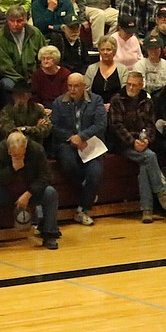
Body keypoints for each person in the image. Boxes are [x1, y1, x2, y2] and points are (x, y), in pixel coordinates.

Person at [108, 71, 166, 223]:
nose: (131, 87)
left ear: (141, 86)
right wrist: (133, 142)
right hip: (123, 144)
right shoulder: (117, 99)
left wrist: (147, 141)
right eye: (129, 84)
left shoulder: (147, 101)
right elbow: (116, 126)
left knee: (145, 164)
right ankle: (161, 193)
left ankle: (147, 210)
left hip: (143, 141)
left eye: (135, 85)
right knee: (150, 156)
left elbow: (151, 124)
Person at [0, 131, 60, 251]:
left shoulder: (37, 150)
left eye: (21, 154)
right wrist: (12, 169)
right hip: (6, 191)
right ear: (8, 150)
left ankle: (49, 234)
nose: (18, 158)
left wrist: (29, 193)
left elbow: (45, 176)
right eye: (15, 155)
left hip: (29, 191)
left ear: (26, 147)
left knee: (50, 193)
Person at [50, 73, 106, 226]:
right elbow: (53, 127)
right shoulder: (59, 102)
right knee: (68, 164)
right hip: (67, 144)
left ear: (84, 86)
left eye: (76, 86)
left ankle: (83, 209)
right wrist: (72, 138)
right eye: (70, 86)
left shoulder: (96, 100)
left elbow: (100, 124)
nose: (72, 89)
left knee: (95, 172)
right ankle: (87, 191)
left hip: (90, 143)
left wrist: (82, 136)